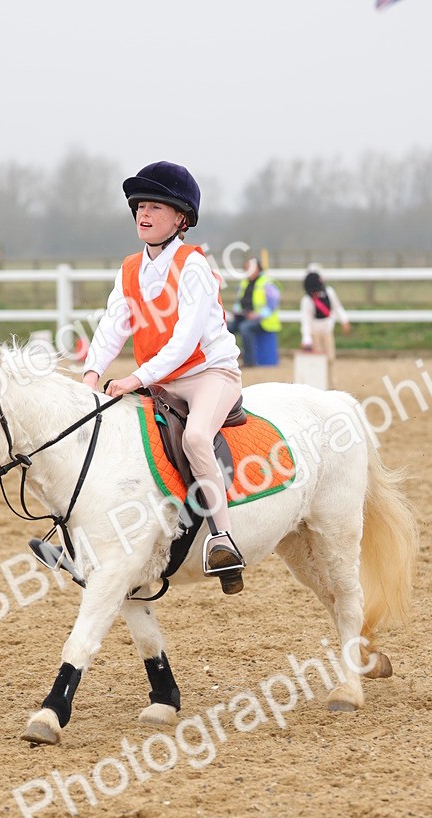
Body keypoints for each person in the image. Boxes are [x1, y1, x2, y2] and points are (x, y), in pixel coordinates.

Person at [81, 161, 245, 594]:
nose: (143, 213)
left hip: (210, 374)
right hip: (162, 380)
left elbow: (184, 341)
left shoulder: (193, 266)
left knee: (196, 438)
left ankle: (223, 539)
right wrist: (91, 374)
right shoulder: (130, 268)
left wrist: (135, 378)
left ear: (181, 219)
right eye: (140, 206)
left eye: (155, 206)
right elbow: (113, 326)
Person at [299, 264, 350, 387]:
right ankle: (318, 384)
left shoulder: (329, 292)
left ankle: (332, 383)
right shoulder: (306, 301)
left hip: (327, 331)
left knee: (331, 358)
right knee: (317, 361)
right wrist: (306, 338)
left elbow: (337, 307)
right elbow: (306, 320)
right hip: (315, 333)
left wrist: (344, 320)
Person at [227, 256, 281, 367]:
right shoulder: (244, 283)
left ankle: (249, 361)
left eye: (250, 268)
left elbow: (273, 305)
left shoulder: (267, 283)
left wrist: (257, 315)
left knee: (245, 328)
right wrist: (236, 312)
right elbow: (238, 302)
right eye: (246, 268)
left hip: (263, 321)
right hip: (244, 317)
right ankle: (228, 360)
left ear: (258, 269)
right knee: (228, 328)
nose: (248, 271)